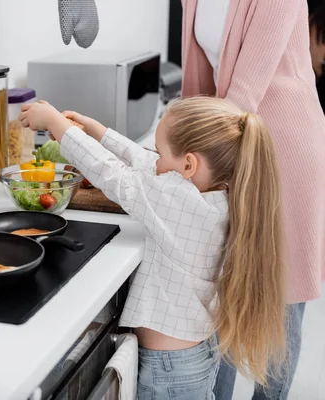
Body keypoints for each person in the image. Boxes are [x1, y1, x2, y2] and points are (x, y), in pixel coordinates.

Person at [18, 96, 287, 399]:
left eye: (161, 152)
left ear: (188, 165)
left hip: (169, 371)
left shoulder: (178, 201)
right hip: (191, 358)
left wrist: (56, 122)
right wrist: (96, 131)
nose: (155, 158)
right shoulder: (216, 195)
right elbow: (146, 163)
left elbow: (111, 173)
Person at [181, 0, 325, 398]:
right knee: (225, 292)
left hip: (285, 152)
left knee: (282, 299)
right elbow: (195, 85)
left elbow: (242, 95)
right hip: (228, 148)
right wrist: (177, 150)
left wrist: (182, 155)